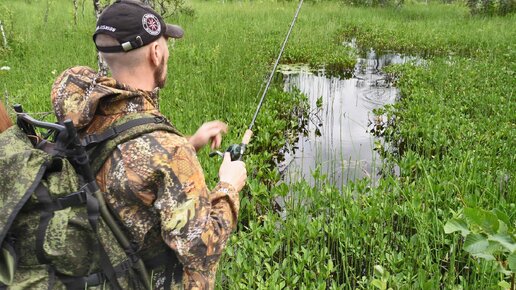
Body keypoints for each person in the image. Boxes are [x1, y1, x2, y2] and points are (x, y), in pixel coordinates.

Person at [50, 0, 247, 289]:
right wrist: (229, 185)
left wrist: (189, 143)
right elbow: (203, 249)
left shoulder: (82, 111)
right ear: (156, 53)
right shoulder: (168, 151)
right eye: (166, 44)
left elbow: (124, 164)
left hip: (95, 265)